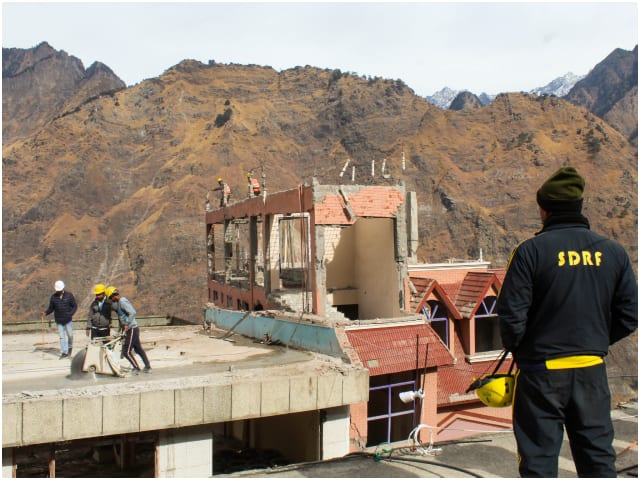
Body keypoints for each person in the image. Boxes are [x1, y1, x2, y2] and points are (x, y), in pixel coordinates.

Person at [497, 166, 638, 477]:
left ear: (544, 209)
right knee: (598, 458)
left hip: (541, 375)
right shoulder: (613, 252)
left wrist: (525, 351)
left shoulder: (530, 252)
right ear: (579, 207)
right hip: (591, 371)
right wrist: (595, 340)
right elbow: (630, 315)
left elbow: (510, 316)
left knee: (539, 461)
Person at [108, 287, 151, 374]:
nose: (111, 300)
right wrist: (120, 330)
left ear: (114, 296)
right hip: (131, 329)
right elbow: (122, 318)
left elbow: (132, 312)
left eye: (110, 298)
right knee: (138, 349)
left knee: (126, 351)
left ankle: (136, 368)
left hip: (132, 329)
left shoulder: (122, 302)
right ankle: (147, 366)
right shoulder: (120, 303)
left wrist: (127, 324)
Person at [41, 280, 78, 359]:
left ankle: (70, 348)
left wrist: (70, 314)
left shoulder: (69, 295)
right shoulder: (53, 297)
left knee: (70, 335)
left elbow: (74, 306)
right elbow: (51, 308)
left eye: (60, 290)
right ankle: (64, 352)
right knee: (62, 337)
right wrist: (45, 313)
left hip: (68, 320)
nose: (59, 291)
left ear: (63, 288)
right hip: (59, 320)